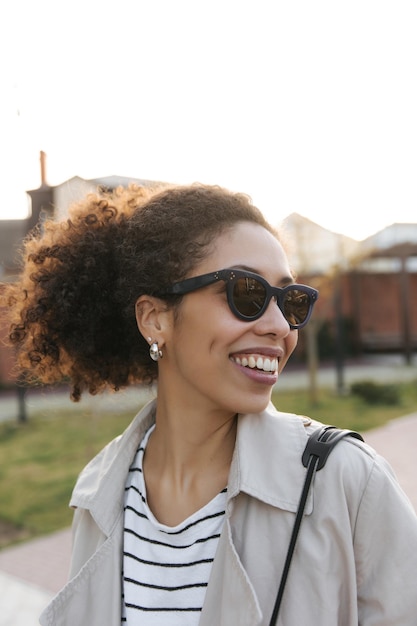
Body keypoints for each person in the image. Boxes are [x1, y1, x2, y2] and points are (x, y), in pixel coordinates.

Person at [2, 183, 417, 626]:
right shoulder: (98, 493)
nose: (280, 326)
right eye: (247, 294)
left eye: (290, 301)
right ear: (154, 318)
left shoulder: (347, 483)